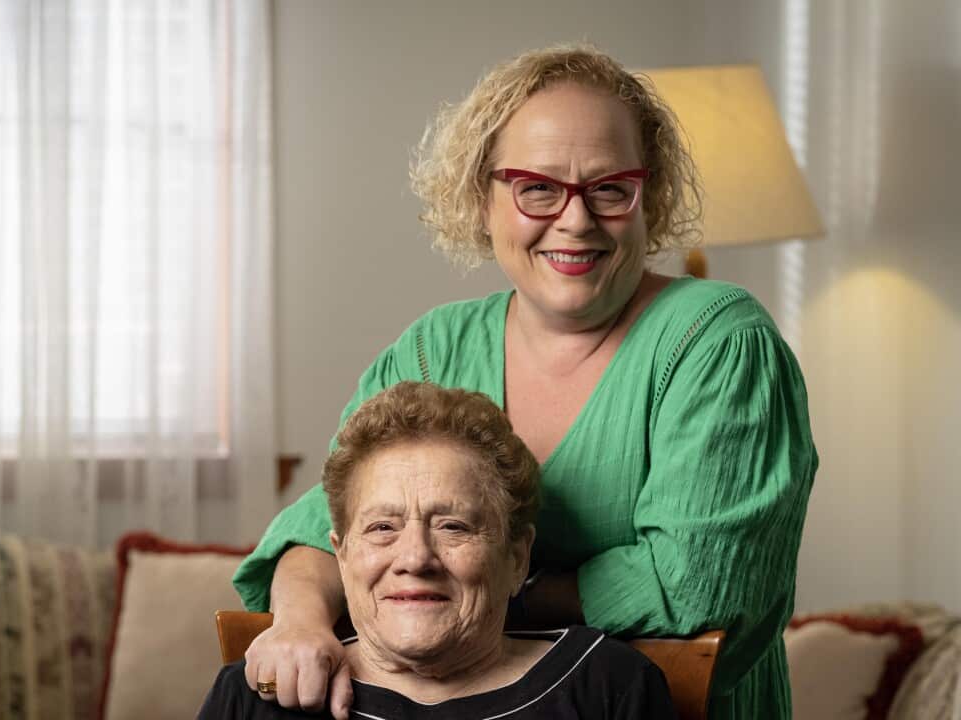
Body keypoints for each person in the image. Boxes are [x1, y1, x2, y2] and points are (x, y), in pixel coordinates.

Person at [232, 45, 818, 720]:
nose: (575, 219)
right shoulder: (433, 349)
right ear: (483, 200)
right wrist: (302, 622)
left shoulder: (718, 343)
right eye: (537, 188)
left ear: (648, 194)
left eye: (609, 188)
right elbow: (324, 531)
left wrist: (491, 591)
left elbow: (699, 590)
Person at [201, 382, 677, 719]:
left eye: (453, 527)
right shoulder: (259, 693)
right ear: (341, 557)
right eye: (383, 527)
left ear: (516, 559)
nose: (415, 558)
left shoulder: (609, 688)